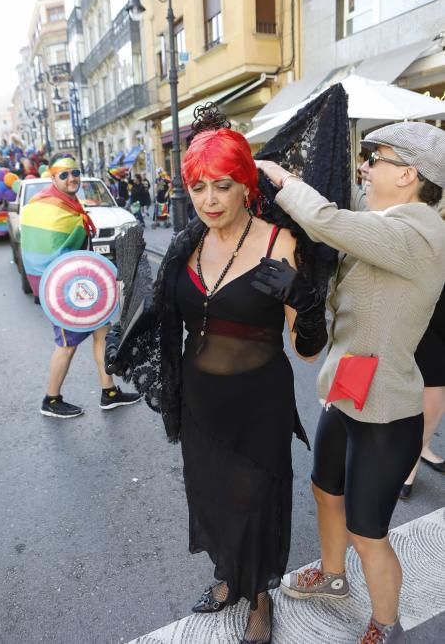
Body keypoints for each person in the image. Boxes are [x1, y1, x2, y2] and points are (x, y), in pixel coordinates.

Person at [107, 117, 329, 644]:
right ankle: (228, 579)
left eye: (222, 185)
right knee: (212, 495)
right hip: (201, 401)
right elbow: (162, 313)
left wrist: (306, 302)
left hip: (258, 404)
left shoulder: (280, 243)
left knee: (255, 502)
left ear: (246, 185)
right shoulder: (188, 244)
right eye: (197, 186)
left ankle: (258, 598)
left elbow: (307, 350)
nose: (209, 199)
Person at [256, 121, 445, 644]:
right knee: (325, 492)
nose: (365, 166)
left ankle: (386, 623)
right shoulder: (386, 219)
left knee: (369, 532)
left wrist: (279, 178)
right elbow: (345, 220)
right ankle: (333, 578)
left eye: (375, 158)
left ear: (408, 173)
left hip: (386, 408)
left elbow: (328, 221)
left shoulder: (420, 234)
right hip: (347, 386)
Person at [20, 152, 140, 419]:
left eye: (75, 173)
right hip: (65, 291)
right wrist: (55, 286)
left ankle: (109, 393)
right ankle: (51, 399)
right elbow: (39, 254)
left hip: (83, 284)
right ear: (53, 177)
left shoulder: (71, 203)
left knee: (102, 333)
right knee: (67, 345)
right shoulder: (45, 206)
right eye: (64, 174)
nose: (71, 178)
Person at [400, 280, 445, 498]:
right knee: (433, 380)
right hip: (431, 286)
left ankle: (422, 445)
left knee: (438, 380)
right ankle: (411, 458)